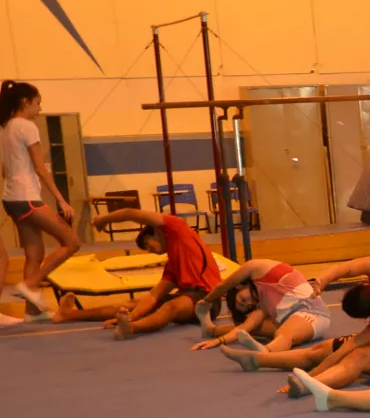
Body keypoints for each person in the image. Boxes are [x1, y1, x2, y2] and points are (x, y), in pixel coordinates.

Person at [225, 255, 370, 391]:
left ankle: (309, 387)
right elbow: (348, 267)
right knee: (320, 350)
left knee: (359, 356)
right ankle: (257, 360)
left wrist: (310, 377)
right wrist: (325, 279)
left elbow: (347, 348)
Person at [56, 207, 221, 339]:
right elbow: (154, 295)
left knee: (170, 306)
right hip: (187, 300)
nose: (150, 251)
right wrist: (132, 315)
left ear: (158, 232)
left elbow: (130, 213)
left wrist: (103, 219)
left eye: (148, 244)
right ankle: (69, 314)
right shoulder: (172, 265)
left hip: (208, 300)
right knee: (131, 304)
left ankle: (131, 329)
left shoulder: (178, 229)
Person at [0, 80, 81, 318]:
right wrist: (61, 200)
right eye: (38, 104)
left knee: (34, 253)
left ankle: (32, 312)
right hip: (26, 197)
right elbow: (40, 167)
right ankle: (30, 284)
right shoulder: (27, 126)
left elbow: (4, 170)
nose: (40, 109)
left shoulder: (5, 127)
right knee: (72, 242)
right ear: (25, 102)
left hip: (11, 198)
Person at [193, 260, 332, 352]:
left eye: (242, 300)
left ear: (239, 286)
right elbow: (243, 328)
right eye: (247, 307)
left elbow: (225, 285)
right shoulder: (262, 305)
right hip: (293, 319)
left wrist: (206, 301)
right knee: (252, 326)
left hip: (313, 313)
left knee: (283, 334)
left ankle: (266, 352)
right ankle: (211, 330)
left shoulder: (257, 268)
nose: (249, 303)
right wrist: (219, 341)